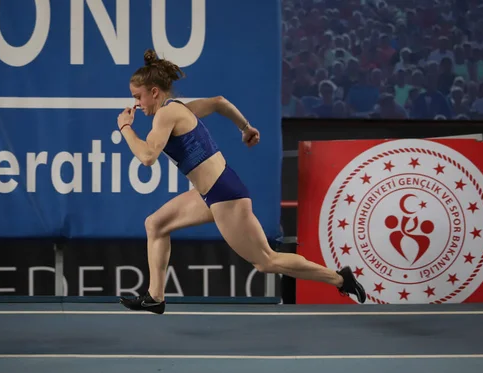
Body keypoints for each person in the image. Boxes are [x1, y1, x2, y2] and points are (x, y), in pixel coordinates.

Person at [117, 49, 366, 314]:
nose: (136, 104)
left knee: (266, 261)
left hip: (224, 194)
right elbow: (219, 102)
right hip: (210, 193)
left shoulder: (165, 115)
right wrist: (245, 127)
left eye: (138, 97)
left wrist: (126, 128)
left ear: (154, 92)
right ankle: (155, 298)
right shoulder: (180, 109)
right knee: (155, 224)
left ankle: (340, 279)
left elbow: (147, 157)